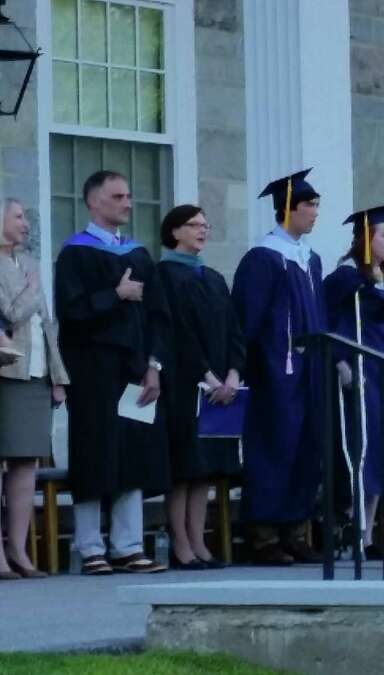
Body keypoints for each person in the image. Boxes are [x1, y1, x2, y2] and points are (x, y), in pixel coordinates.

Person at [54, 170, 169, 575]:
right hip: (91, 373)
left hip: (134, 370)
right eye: (118, 196)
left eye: (129, 195)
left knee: (132, 453)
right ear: (94, 202)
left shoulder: (138, 254)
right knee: (93, 453)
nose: (127, 203)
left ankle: (128, 546)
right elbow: (70, 314)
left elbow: (158, 316)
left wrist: (154, 366)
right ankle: (90, 548)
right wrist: (115, 295)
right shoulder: (75, 253)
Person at [232, 169, 326, 565]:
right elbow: (246, 320)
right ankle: (264, 535)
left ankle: (295, 529)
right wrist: (242, 367)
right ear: (288, 209)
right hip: (275, 370)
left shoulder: (310, 259)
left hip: (309, 370)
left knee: (307, 446)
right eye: (310, 206)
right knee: (275, 446)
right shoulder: (263, 257)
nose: (316, 214)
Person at [157, 205, 245, 570]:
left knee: (205, 469)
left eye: (206, 225)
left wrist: (234, 375)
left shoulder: (211, 277)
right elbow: (178, 333)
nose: (202, 231)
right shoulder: (163, 275)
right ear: (174, 232)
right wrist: (208, 377)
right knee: (184, 468)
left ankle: (199, 539)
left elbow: (234, 329)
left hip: (221, 385)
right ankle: (181, 543)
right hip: (185, 384)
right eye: (194, 225)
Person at [324, 203, 384, 552]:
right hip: (364, 369)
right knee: (366, 446)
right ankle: (352, 525)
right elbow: (331, 321)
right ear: (367, 238)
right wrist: (342, 362)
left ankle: (369, 532)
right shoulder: (346, 277)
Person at [0, 198, 69, 579]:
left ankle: (20, 550)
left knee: (26, 462)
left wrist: (58, 378)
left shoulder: (28, 265)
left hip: (36, 373)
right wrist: (31, 290)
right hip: (7, 373)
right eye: (18, 216)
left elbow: (47, 325)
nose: (26, 223)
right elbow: (10, 314)